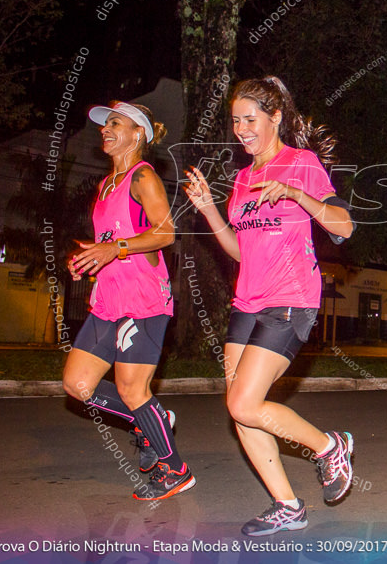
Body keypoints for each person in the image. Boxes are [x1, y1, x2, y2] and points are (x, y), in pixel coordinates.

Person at [184, 76, 355, 536]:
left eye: (250, 119)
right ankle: (287, 505)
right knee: (239, 406)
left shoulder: (302, 163)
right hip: (247, 301)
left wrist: (297, 193)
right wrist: (208, 210)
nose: (241, 129)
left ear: (275, 117)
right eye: (236, 121)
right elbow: (240, 251)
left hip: (291, 299)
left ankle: (329, 446)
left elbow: (344, 224)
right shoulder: (242, 178)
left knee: (243, 402)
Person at [62, 101, 193, 500]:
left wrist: (112, 249)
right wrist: (91, 256)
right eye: (104, 124)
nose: (105, 129)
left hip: (143, 300)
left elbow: (165, 233)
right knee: (77, 383)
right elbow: (114, 241)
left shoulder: (143, 178)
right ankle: (153, 420)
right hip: (108, 298)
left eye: (115, 123)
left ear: (138, 134)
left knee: (133, 390)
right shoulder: (105, 186)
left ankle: (175, 471)